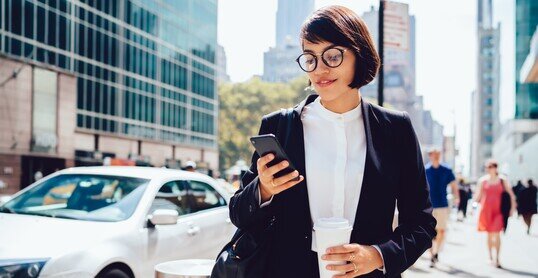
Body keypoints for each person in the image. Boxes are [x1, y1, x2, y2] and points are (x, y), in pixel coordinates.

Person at [228, 5, 436, 277]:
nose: (320, 69)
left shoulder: (395, 130)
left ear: (358, 54)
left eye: (333, 56)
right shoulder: (279, 127)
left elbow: (421, 224)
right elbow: (239, 213)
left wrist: (377, 256)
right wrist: (263, 189)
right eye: (311, 58)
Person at [474, 160, 517, 268]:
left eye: (492, 166)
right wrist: (473, 206)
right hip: (486, 211)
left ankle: (497, 259)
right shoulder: (482, 181)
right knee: (489, 234)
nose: (489, 168)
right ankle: (490, 257)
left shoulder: (502, 180)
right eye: (488, 166)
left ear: (496, 168)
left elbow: (511, 195)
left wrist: (512, 208)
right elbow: (477, 196)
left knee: (497, 234)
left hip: (499, 211)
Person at [424, 148, 459, 268]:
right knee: (429, 232)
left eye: (438, 154)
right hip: (428, 206)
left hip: (443, 205)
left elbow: (454, 185)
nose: (435, 156)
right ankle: (432, 255)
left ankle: (436, 252)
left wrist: (457, 197)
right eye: (433, 154)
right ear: (430, 156)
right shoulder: (425, 170)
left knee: (442, 231)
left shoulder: (446, 170)